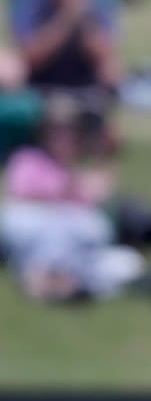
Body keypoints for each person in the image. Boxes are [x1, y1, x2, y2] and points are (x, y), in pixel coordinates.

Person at [0, 95, 140, 302]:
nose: (63, 138)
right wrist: (65, 191)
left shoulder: (79, 168)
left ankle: (66, 280)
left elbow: (99, 214)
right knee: (47, 223)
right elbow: (19, 192)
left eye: (69, 133)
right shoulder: (27, 158)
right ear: (44, 133)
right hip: (35, 231)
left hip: (74, 244)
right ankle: (49, 278)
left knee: (128, 261)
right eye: (56, 132)